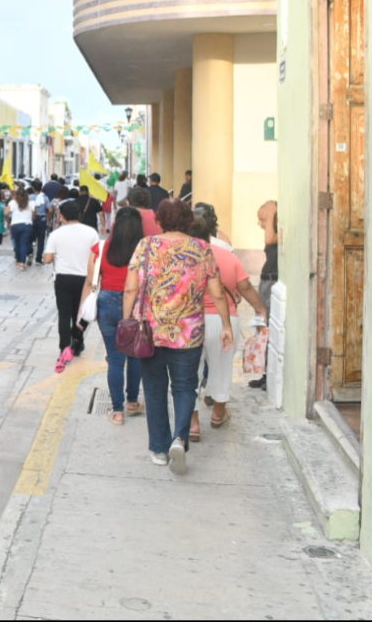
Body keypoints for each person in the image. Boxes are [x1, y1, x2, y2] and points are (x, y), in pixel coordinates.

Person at [122, 200, 232, 475]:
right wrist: (227, 324)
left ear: (159, 220)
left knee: (155, 389)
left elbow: (130, 288)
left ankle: (159, 450)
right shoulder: (202, 249)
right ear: (189, 222)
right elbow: (217, 293)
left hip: (151, 333)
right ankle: (180, 439)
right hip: (189, 334)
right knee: (185, 388)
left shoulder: (145, 246)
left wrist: (128, 319)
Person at [187, 216, 269, 441]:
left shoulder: (184, 258)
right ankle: (218, 413)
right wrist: (261, 309)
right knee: (222, 367)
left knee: (188, 372)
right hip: (224, 320)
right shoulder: (227, 256)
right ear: (209, 234)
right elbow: (245, 287)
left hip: (190, 320)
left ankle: (193, 424)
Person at [80, 207, 145, 424]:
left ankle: (117, 411)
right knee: (135, 355)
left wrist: (81, 313)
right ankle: (133, 401)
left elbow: (90, 281)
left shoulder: (100, 247)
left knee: (115, 358)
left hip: (106, 303)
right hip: (135, 303)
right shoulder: (145, 250)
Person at [44, 200, 99, 372]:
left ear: (62, 215)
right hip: (85, 279)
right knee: (80, 313)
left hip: (63, 278)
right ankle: (78, 341)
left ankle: (64, 348)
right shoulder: (91, 232)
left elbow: (47, 259)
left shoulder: (56, 234)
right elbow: (96, 256)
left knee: (64, 314)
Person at [250, 200, 278, 390]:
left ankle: (270, 375)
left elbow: (269, 239)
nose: (260, 224)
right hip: (266, 281)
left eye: (262, 219)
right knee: (263, 328)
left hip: (273, 281)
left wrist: (272, 215)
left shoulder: (276, 233)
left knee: (269, 328)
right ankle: (266, 372)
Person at [6, 186, 36, 269]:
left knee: (17, 244)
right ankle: (22, 262)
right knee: (24, 244)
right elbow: (35, 215)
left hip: (15, 225)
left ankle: (19, 260)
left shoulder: (13, 202)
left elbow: (6, 212)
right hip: (27, 225)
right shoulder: (31, 202)